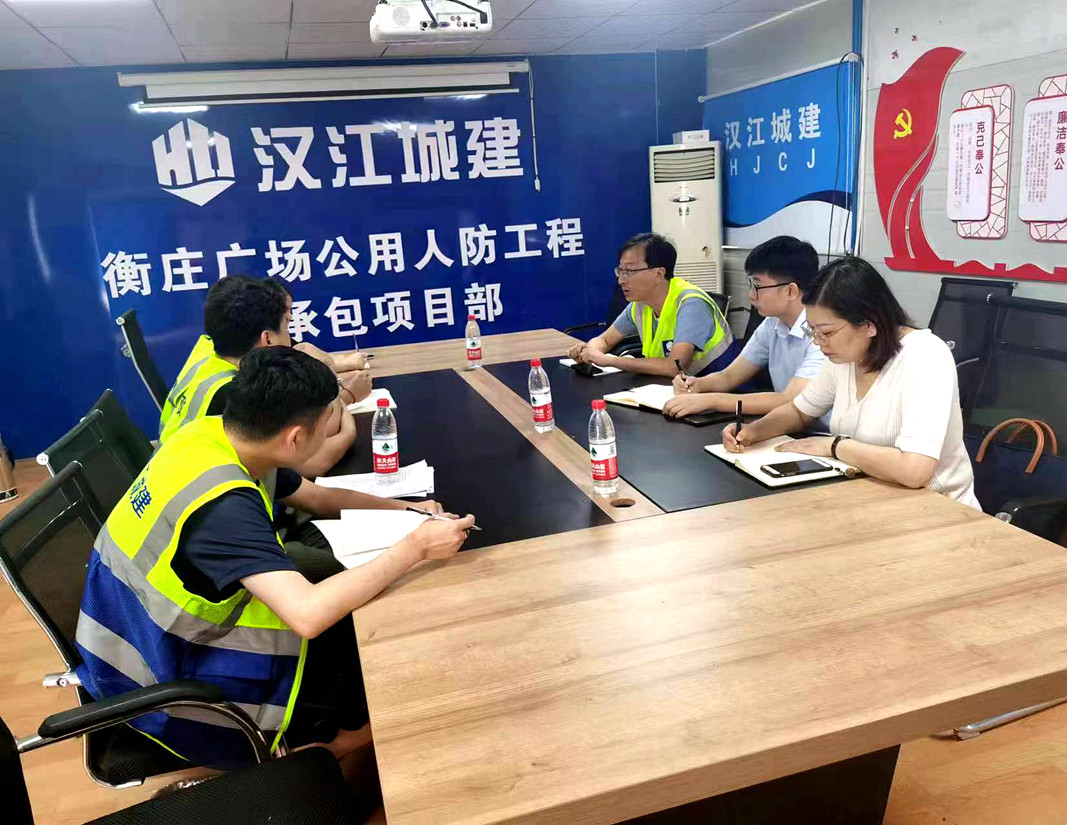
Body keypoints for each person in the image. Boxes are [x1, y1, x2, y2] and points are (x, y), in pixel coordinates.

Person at [75, 347, 475, 774]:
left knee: (353, 604)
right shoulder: (224, 508)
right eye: (328, 421)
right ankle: (333, 748)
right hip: (168, 686)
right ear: (296, 438)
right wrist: (415, 547)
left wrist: (408, 510)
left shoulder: (214, 437)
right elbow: (308, 614)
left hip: (145, 640)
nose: (332, 428)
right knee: (386, 658)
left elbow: (316, 497)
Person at [723, 257, 979, 509]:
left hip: (938, 510)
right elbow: (800, 411)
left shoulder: (925, 356)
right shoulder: (846, 356)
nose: (818, 342)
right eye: (812, 331)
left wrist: (835, 446)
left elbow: (914, 470)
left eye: (826, 332)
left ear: (869, 325)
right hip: (870, 498)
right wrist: (753, 432)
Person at [160, 276, 371, 477]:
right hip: (203, 492)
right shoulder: (238, 390)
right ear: (268, 339)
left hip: (170, 472)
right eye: (287, 325)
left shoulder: (209, 350)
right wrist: (344, 400)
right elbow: (312, 462)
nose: (290, 336)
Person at [663, 236, 825, 419]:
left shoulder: (822, 333)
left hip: (822, 431)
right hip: (786, 423)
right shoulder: (772, 323)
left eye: (757, 286)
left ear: (791, 291)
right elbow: (729, 376)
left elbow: (790, 400)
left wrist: (710, 401)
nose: (751, 295)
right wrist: (697, 384)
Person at [567, 233, 735, 377]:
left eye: (629, 271)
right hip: (669, 387)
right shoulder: (640, 304)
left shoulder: (691, 305)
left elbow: (675, 366)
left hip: (716, 389)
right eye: (620, 271)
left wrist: (610, 360)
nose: (621, 280)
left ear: (659, 274)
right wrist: (589, 351)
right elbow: (605, 339)